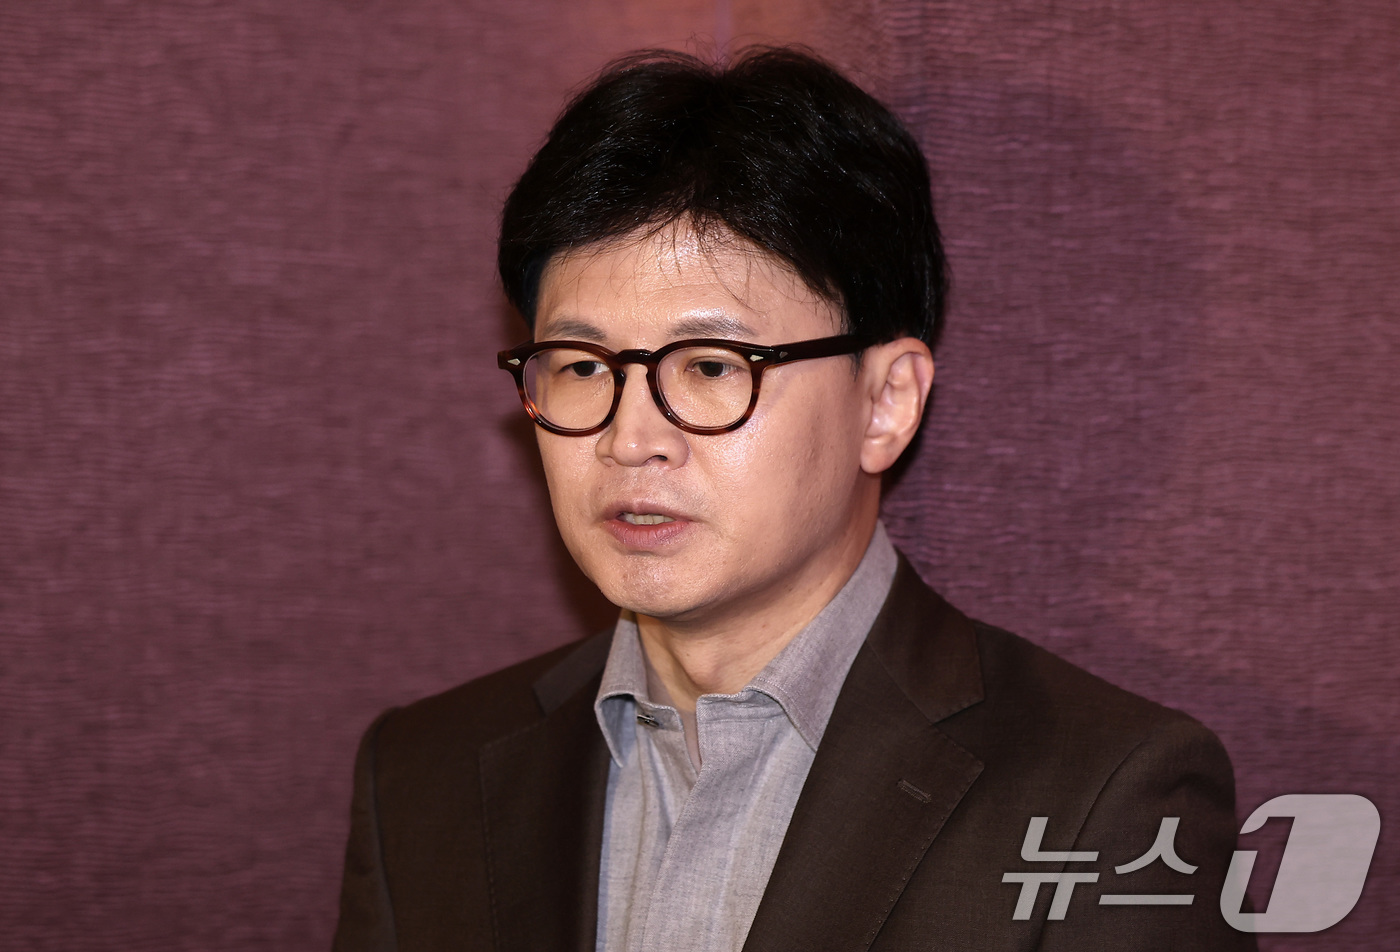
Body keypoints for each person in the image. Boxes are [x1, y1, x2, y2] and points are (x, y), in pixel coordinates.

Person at [333, 48, 1254, 951]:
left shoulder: (1109, 796)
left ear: (885, 402)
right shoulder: (420, 775)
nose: (630, 439)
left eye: (709, 367)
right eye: (581, 367)